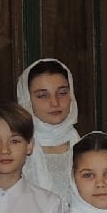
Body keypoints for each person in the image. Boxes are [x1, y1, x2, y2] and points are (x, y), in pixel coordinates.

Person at [16, 58, 82, 200]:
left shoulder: (86, 147)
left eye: (62, 93)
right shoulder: (15, 152)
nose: (55, 102)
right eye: (42, 96)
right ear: (27, 100)